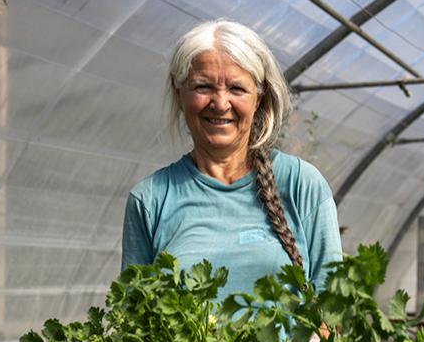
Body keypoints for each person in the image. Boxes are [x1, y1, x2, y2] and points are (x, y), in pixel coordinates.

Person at [121, 19, 342, 306]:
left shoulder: (302, 184)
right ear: (179, 93)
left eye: (237, 89)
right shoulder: (151, 199)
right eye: (203, 86)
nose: (220, 103)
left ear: (259, 97)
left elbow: (335, 307)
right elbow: (133, 320)